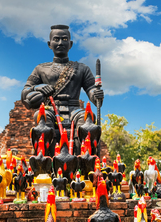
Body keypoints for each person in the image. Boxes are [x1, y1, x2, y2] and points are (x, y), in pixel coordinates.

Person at [21, 24, 104, 155]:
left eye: (64, 39)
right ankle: (44, 160)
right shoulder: (41, 69)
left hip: (75, 110)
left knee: (87, 119)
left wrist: (96, 94)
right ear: (49, 44)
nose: (60, 43)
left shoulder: (82, 69)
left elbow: (91, 89)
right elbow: (25, 93)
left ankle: (85, 159)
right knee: (42, 120)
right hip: (50, 110)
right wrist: (38, 87)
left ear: (70, 44)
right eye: (56, 39)